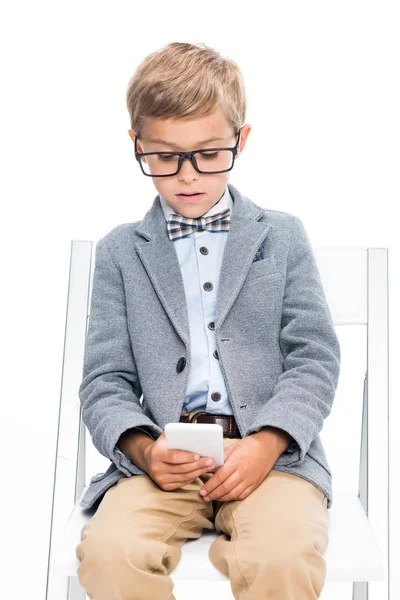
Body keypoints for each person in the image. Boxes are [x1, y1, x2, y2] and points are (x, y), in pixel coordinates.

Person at [75, 41, 341, 600]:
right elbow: (105, 381)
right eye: (165, 156)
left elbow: (314, 357)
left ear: (241, 141)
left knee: (281, 557)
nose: (187, 174)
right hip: (164, 464)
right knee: (110, 555)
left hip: (273, 461)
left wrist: (269, 440)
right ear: (138, 144)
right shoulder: (122, 251)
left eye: (209, 153)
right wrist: (145, 450)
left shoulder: (281, 235)